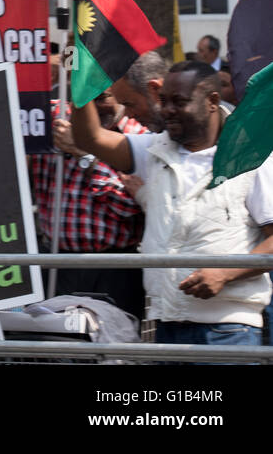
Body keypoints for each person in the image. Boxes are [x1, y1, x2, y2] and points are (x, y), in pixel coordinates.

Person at [69, 60, 273, 348]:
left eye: (179, 102)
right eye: (163, 101)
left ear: (212, 101)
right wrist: (78, 70)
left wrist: (225, 274)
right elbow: (89, 138)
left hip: (228, 332)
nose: (167, 111)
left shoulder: (253, 157)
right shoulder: (153, 149)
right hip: (166, 327)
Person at [30, 96, 144, 318]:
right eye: (86, 99)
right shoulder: (48, 117)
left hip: (114, 268)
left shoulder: (136, 134)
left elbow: (129, 207)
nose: (94, 107)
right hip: (56, 261)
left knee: (115, 343)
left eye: (103, 98)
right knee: (55, 342)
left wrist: (85, 155)